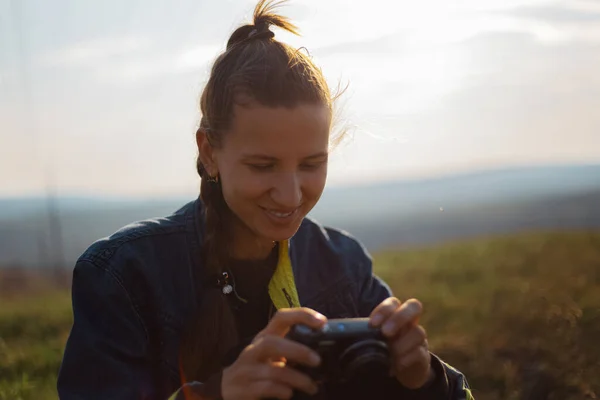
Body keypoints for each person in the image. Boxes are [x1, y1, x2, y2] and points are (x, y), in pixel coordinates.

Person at [57, 0, 474, 399]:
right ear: (208, 151)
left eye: (312, 164)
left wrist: (421, 381)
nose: (291, 195)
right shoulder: (123, 277)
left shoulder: (344, 264)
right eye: (263, 165)